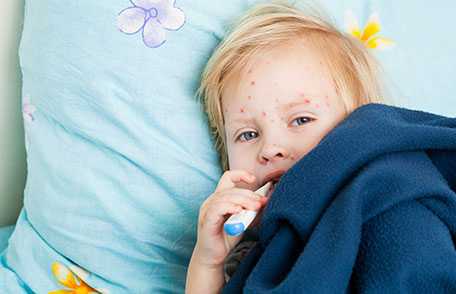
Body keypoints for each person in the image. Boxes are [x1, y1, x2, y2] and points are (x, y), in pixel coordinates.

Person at [185, 1, 388, 292]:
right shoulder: (247, 253)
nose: (271, 148)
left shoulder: (383, 195)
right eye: (248, 134)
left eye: (300, 119)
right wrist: (208, 262)